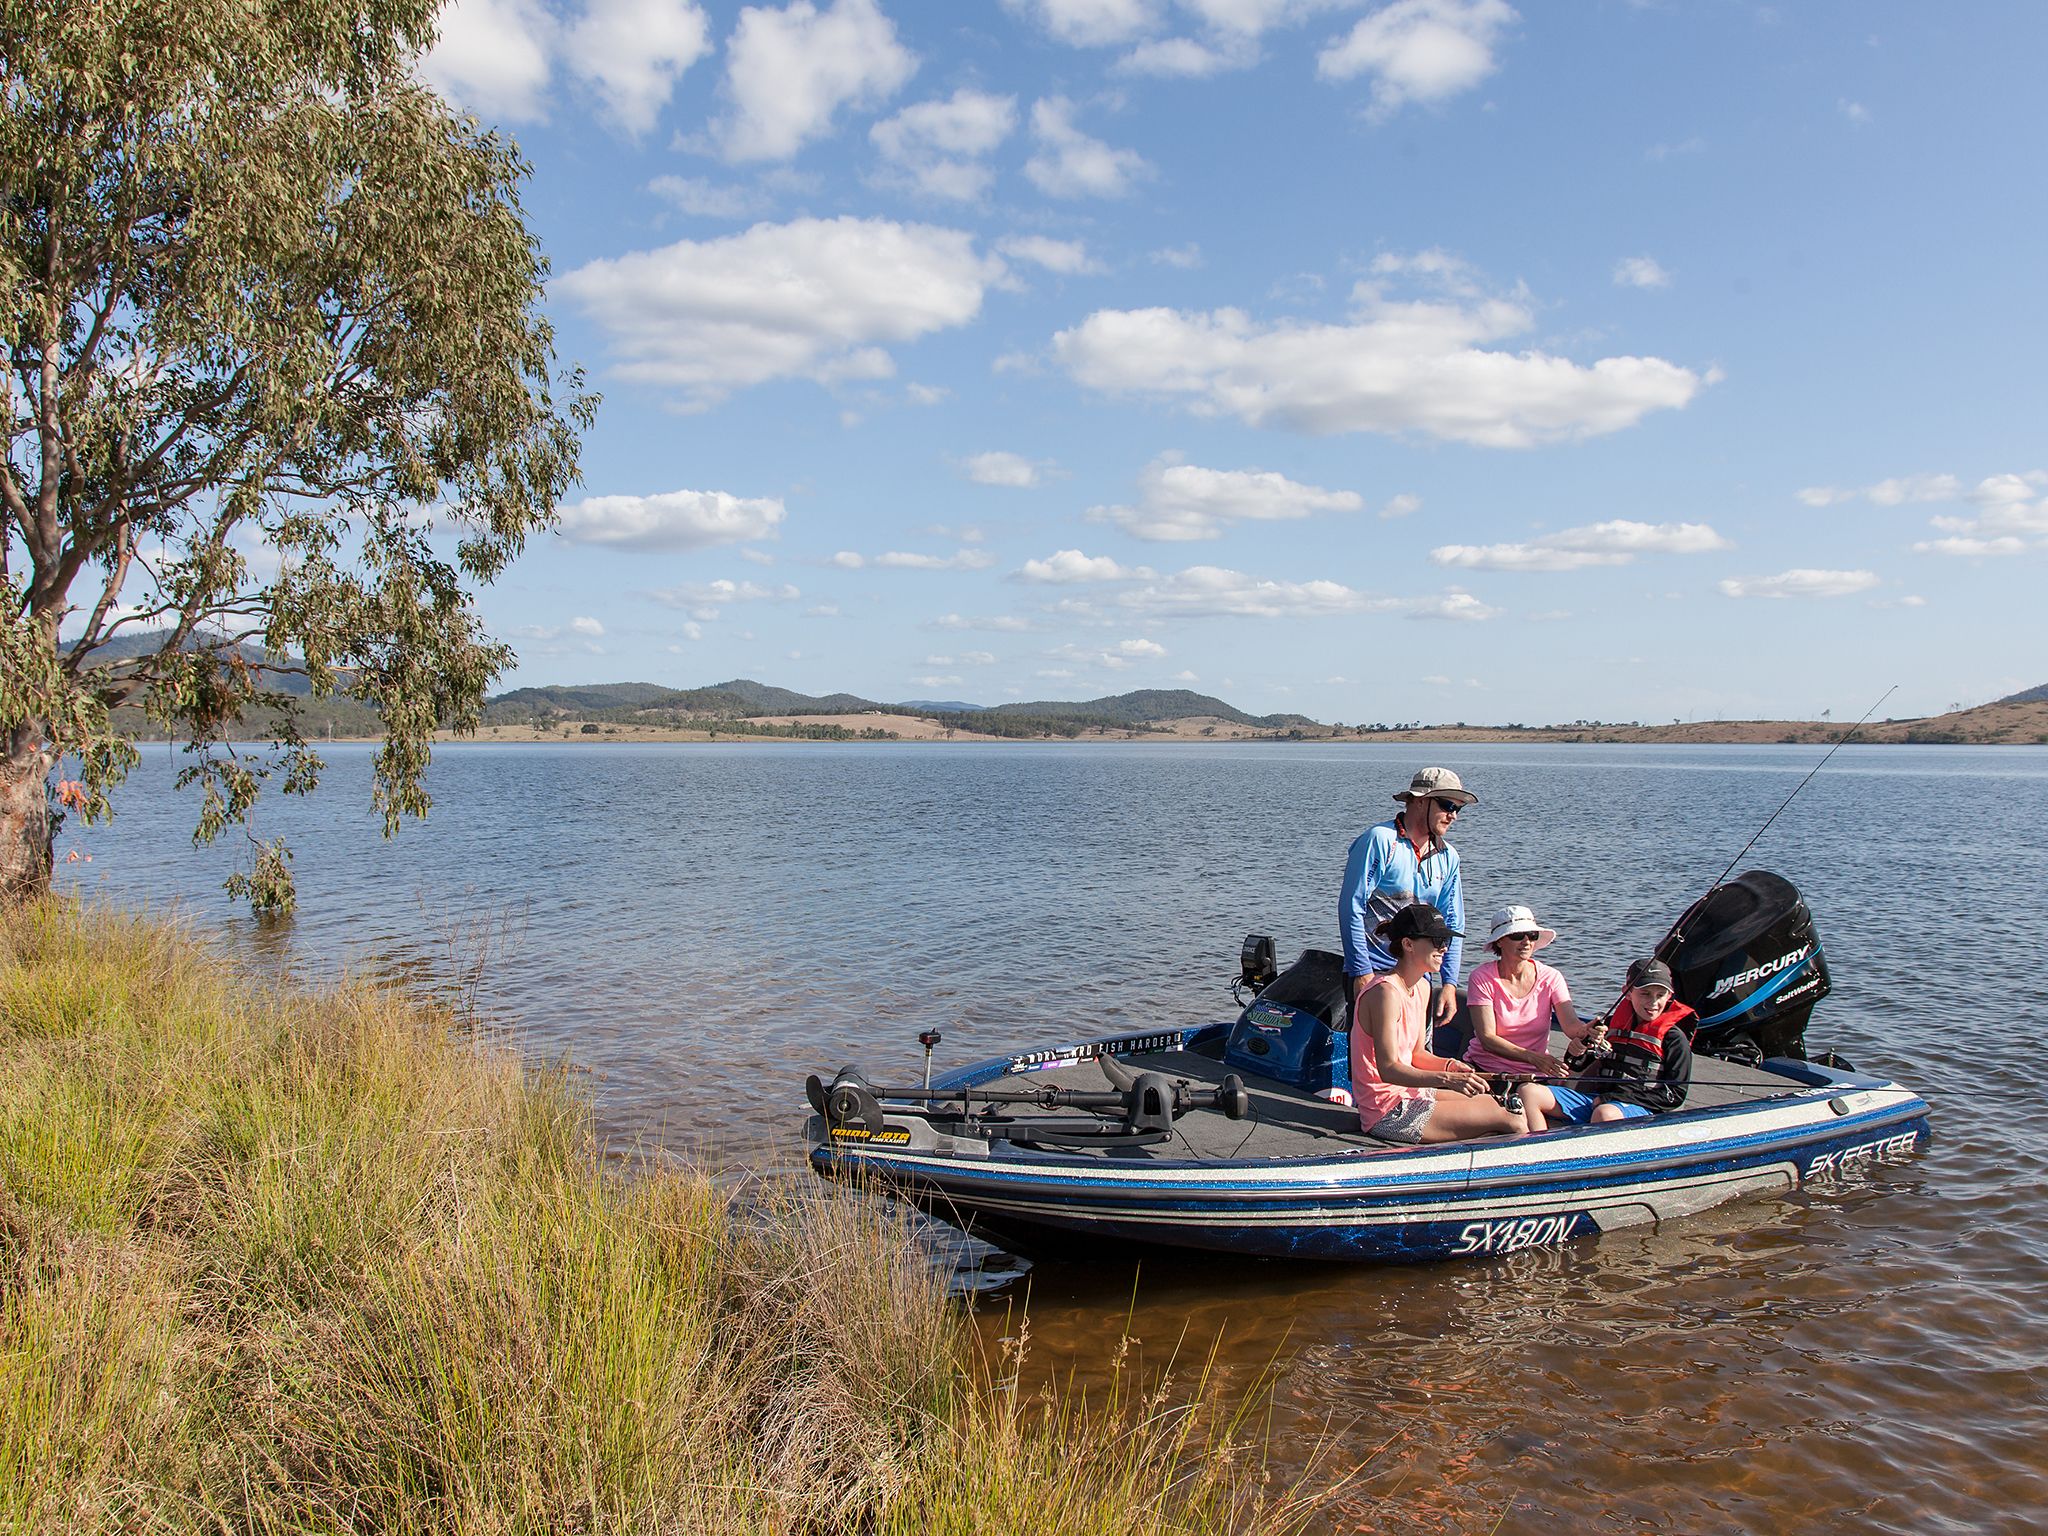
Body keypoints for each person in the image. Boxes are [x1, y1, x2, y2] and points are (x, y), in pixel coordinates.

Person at [1351, 903, 1525, 1144]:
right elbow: (1388, 1068)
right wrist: (1447, 1080)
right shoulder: (1385, 993)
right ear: (1408, 944)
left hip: (1416, 1094)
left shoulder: (1423, 986)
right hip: (1388, 1110)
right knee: (1511, 1119)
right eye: (1436, 940)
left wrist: (1452, 1066)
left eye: (1446, 941)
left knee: (1504, 1104)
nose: (1444, 948)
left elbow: (1416, 1055)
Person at [1338, 767, 1473, 1036]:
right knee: (1375, 1066)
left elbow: (1453, 921)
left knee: (1418, 1060)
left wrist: (1449, 982)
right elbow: (1351, 907)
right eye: (1447, 805)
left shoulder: (1449, 857)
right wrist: (1361, 970)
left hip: (1420, 979)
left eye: (1459, 809)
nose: (1454, 816)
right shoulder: (1379, 840)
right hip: (1375, 972)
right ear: (1420, 800)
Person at [1462, 904, 1597, 1134]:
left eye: (1532, 935)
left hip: (1535, 1076)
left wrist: (1589, 1031)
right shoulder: (1481, 977)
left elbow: (1572, 1027)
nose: (1526, 941)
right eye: (1517, 936)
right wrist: (1534, 1058)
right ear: (1500, 941)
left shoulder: (1551, 977)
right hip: (1487, 1070)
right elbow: (1487, 1038)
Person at [1560, 958, 1695, 1124]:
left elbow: (1675, 1094)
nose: (1653, 1002)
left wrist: (1614, 1098)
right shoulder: (1608, 1025)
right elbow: (1575, 1065)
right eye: (1645, 993)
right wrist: (1581, 1045)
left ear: (1669, 996)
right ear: (1628, 993)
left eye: (1660, 995)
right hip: (1597, 1099)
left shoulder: (1674, 1038)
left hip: (1638, 1106)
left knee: (1604, 1113)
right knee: (1530, 1092)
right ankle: (1543, 1144)